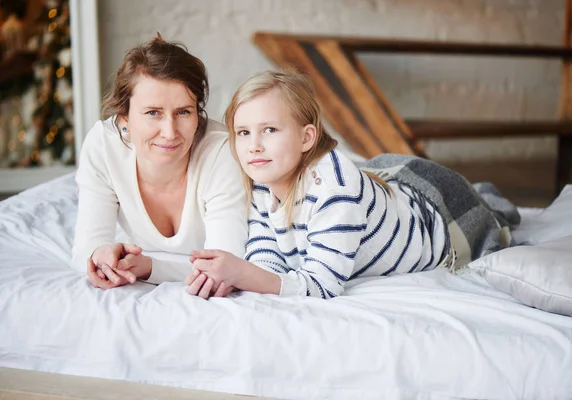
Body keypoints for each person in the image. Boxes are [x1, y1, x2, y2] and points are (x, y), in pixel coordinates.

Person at [184, 70, 451, 299]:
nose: (253, 146)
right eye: (243, 132)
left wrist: (242, 273)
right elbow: (265, 251)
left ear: (306, 138)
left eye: (270, 130)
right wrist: (242, 278)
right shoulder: (262, 177)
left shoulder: (334, 189)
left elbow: (323, 285)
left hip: (430, 224)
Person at [70, 33, 247, 297]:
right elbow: (86, 251)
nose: (170, 132)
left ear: (198, 115)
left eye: (183, 112)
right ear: (124, 119)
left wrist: (150, 267)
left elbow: (224, 267)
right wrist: (102, 256)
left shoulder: (221, 152)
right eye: (153, 113)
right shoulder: (103, 146)